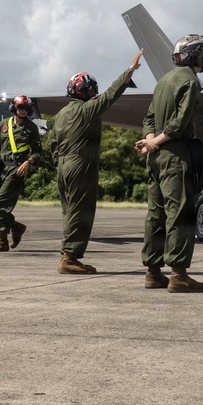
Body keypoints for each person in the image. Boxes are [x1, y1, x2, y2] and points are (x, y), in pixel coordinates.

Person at [51, 50, 145, 274]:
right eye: (92, 89)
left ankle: (69, 254)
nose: (95, 93)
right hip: (79, 164)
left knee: (69, 210)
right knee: (81, 211)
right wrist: (130, 70)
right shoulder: (87, 110)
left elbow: (53, 145)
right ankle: (69, 258)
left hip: (63, 166)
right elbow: (111, 94)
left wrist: (60, 164)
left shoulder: (61, 114)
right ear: (85, 91)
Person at [134, 34, 203, 293]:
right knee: (180, 214)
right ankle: (178, 275)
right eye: (202, 53)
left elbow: (148, 118)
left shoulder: (163, 81)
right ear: (195, 56)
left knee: (155, 214)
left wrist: (149, 143)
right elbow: (179, 124)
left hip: (155, 158)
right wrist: (158, 142)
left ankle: (153, 272)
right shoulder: (191, 81)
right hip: (175, 155)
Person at [0, 95, 43, 252]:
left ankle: (2, 241)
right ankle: (16, 226)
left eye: (26, 109)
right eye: (20, 108)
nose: (23, 111)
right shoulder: (4, 124)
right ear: (14, 108)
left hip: (16, 170)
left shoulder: (31, 128)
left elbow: (37, 152)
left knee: (1, 204)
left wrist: (28, 162)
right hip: (0, 168)